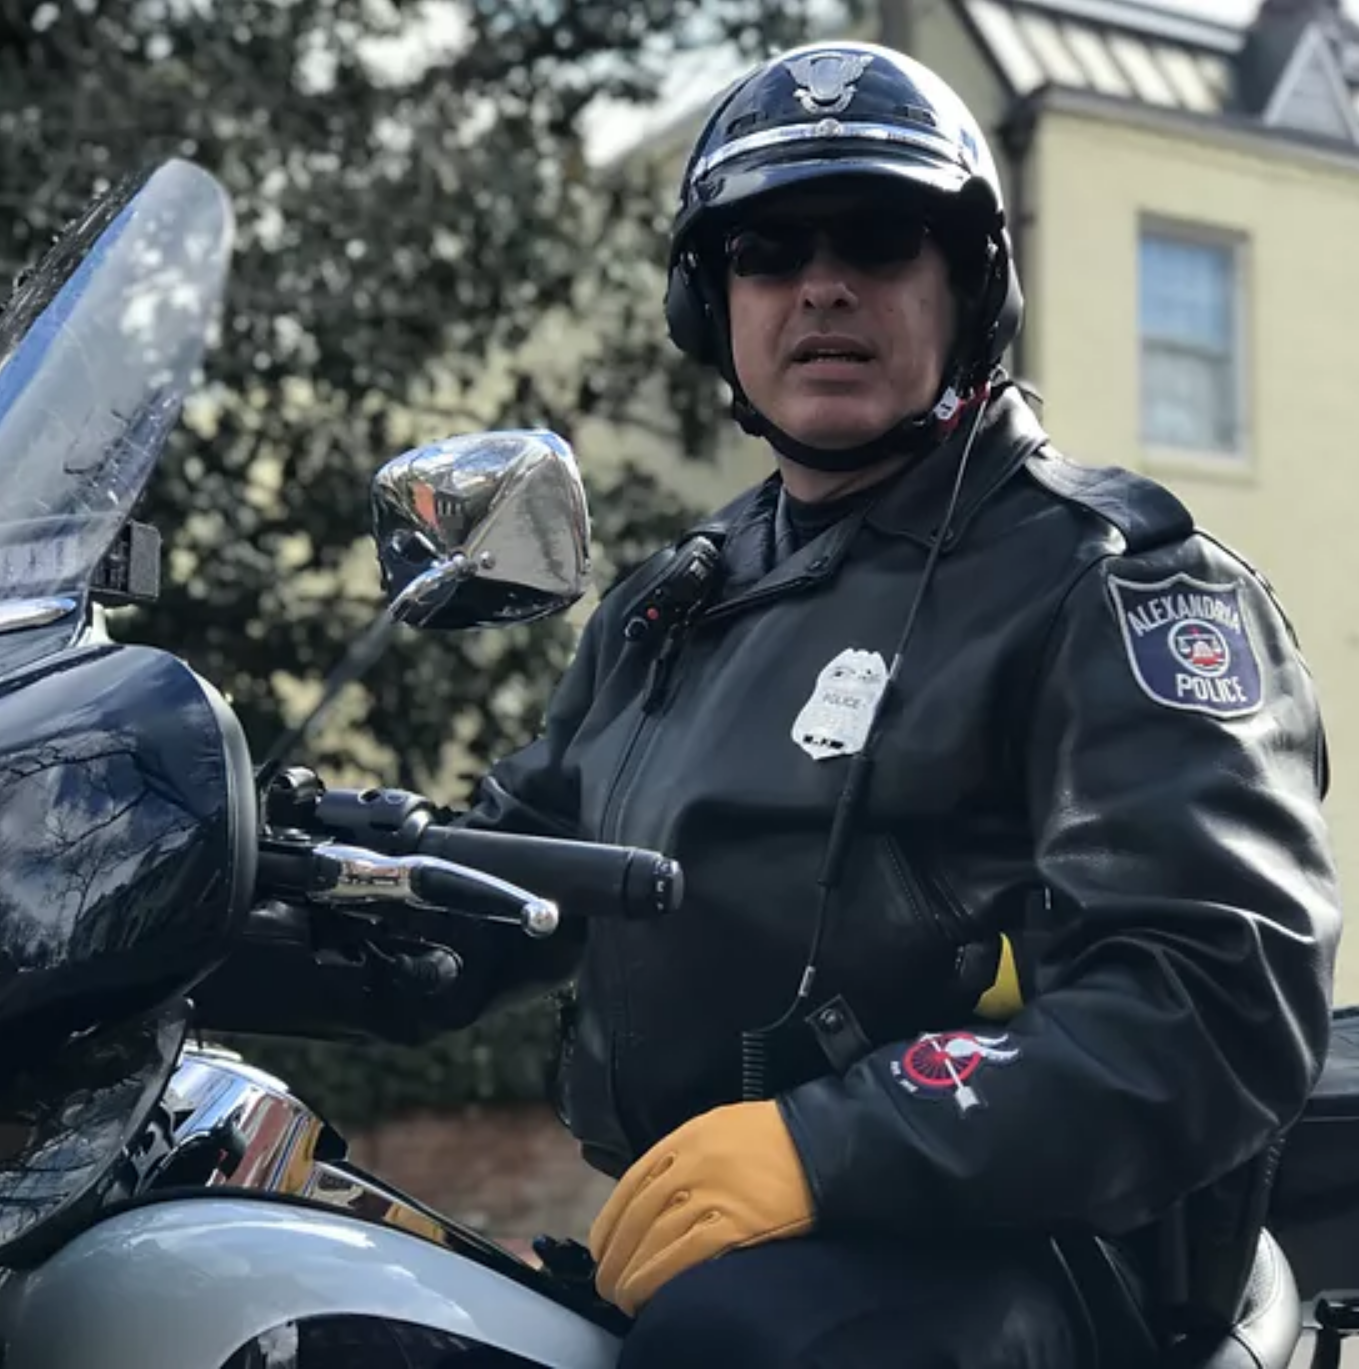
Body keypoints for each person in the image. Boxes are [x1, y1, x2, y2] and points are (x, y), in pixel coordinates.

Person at [450, 38, 1343, 1368]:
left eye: (877, 239)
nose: (821, 285)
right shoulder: (671, 607)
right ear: (713, 305)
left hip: (1035, 1256)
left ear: (968, 286)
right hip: (740, 1237)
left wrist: (824, 1144)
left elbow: (1212, 997)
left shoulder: (1110, 584)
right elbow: (500, 869)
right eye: (766, 250)